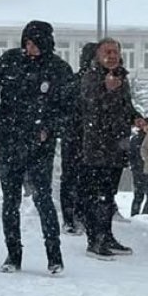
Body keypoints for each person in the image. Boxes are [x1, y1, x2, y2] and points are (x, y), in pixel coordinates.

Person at [0, 20, 76, 275]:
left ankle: (54, 256)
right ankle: (13, 255)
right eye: (27, 43)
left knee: (43, 198)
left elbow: (70, 110)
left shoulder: (59, 70)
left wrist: (49, 128)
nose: (31, 49)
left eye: (36, 44)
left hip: (40, 146)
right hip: (9, 141)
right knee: (10, 201)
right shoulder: (11, 61)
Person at [77, 38, 140, 260]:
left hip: (117, 145)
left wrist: (136, 118)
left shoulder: (121, 77)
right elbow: (89, 105)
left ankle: (107, 235)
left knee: (109, 194)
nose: (112, 56)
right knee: (96, 195)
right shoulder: (91, 77)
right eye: (107, 52)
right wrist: (105, 88)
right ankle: (95, 240)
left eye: (115, 52)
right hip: (97, 146)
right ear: (98, 55)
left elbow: (125, 107)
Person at [59, 42, 96, 235]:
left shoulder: (94, 82)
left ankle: (76, 216)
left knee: (81, 179)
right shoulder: (79, 83)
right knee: (75, 178)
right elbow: (64, 109)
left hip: (84, 138)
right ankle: (73, 217)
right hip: (77, 137)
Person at [129, 117, 148, 217]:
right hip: (141, 169)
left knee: (139, 195)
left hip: (138, 169)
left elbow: (131, 155)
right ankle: (143, 215)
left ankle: (135, 214)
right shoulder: (138, 139)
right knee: (143, 194)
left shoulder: (135, 139)